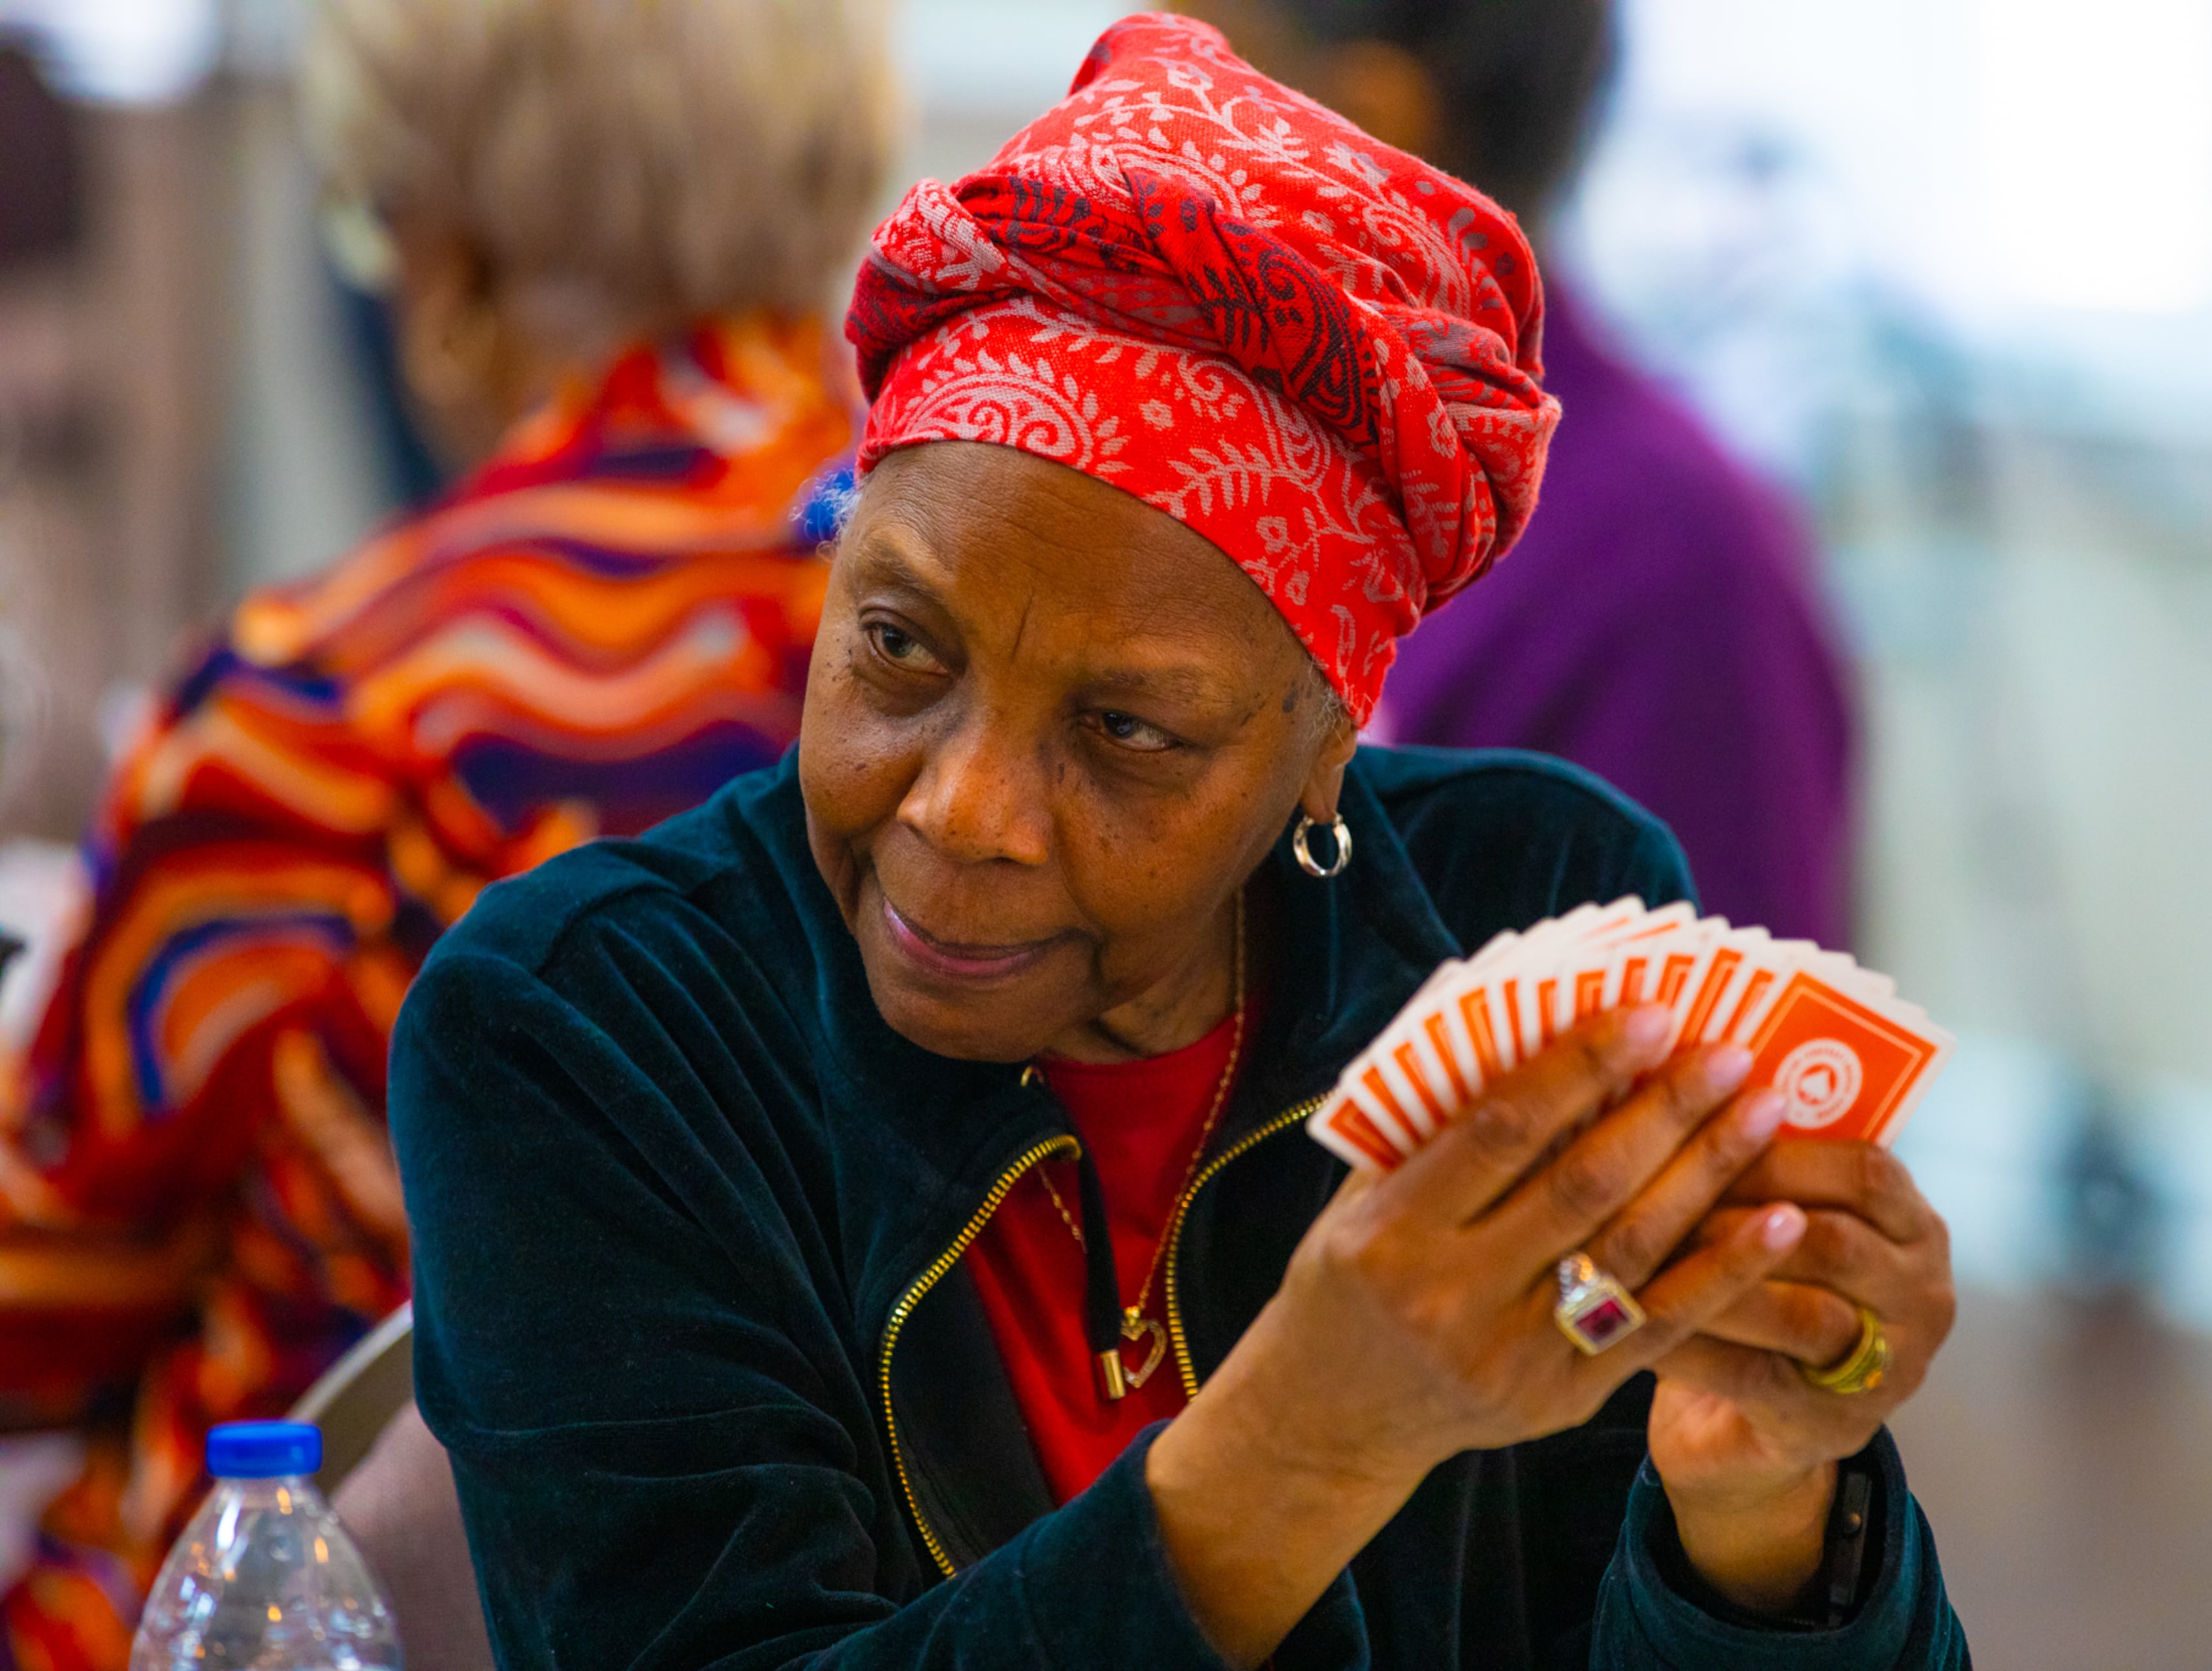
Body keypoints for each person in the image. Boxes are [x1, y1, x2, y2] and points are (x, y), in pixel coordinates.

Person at [392, 18, 1963, 1668]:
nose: (960, 811)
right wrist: (1306, 1439)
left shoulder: (1533, 907)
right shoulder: (587, 1031)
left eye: (1130, 734)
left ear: (1324, 751)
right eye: (900, 651)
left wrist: (1763, 1516)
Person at [0, 1, 893, 1662]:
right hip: (897, 1579)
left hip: (365, 1603)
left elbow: (33, 1301)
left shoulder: (344, 703)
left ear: (450, 263)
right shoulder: (989, 625)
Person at [1178, 0, 1860, 950]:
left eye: (1177, 78)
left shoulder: (1674, 561)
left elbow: (1718, 1058)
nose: (1117, 130)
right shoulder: (1197, 450)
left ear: (1358, 118)